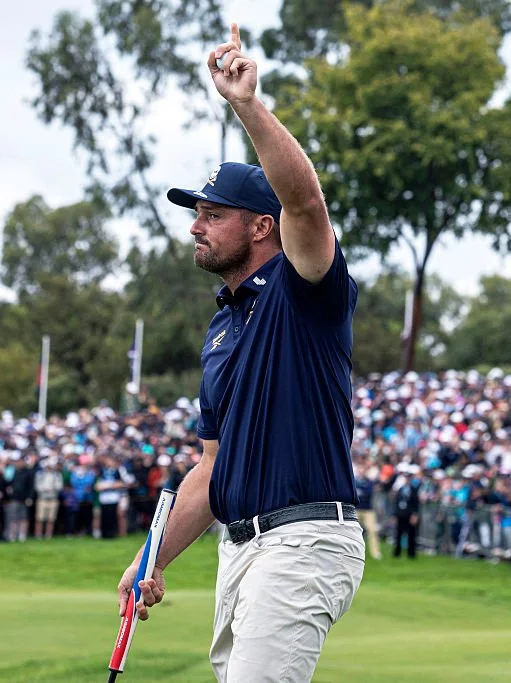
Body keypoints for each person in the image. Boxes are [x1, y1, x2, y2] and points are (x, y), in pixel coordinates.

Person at [116, 23, 365, 682]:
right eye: (197, 212)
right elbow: (210, 468)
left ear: (262, 225)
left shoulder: (303, 288)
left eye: (213, 213)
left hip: (305, 536)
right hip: (242, 546)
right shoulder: (221, 327)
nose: (196, 225)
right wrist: (154, 555)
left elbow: (306, 203)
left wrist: (246, 105)